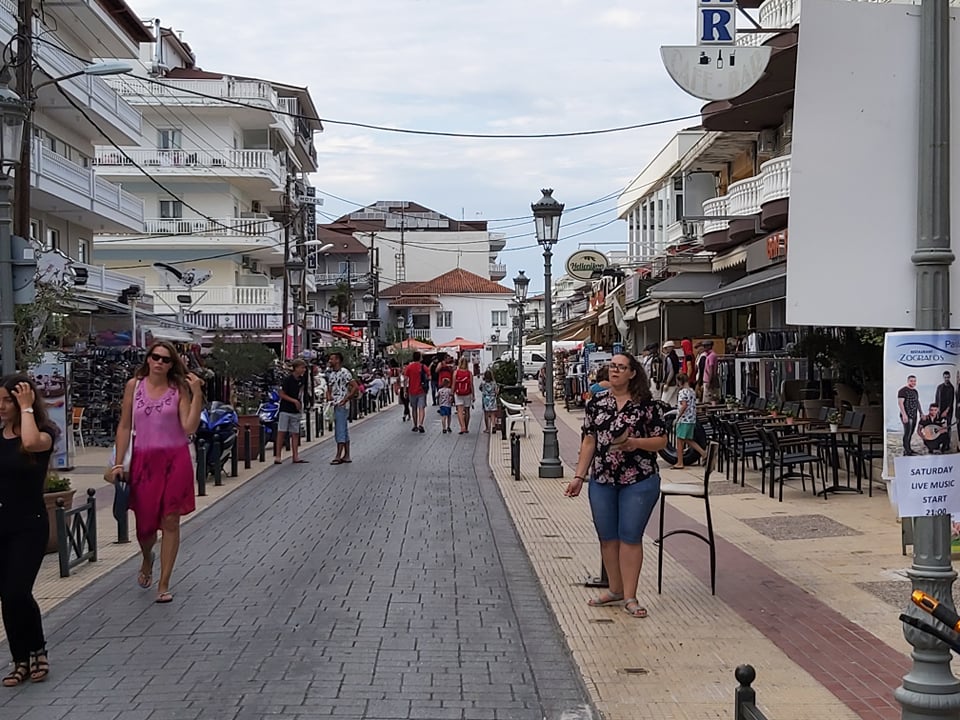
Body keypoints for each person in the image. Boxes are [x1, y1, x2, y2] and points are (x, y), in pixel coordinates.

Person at [564, 352, 667, 620]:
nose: (615, 370)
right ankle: (615, 589)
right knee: (607, 537)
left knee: (630, 536)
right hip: (603, 478)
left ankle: (630, 596)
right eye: (612, 366)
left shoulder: (648, 405)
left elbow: (661, 441)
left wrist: (635, 443)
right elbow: (589, 440)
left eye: (621, 367)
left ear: (632, 373)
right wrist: (578, 476)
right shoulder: (596, 402)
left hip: (639, 479)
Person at [112, 341, 203, 605]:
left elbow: (189, 427)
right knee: (145, 527)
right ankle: (146, 557)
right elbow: (124, 425)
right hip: (144, 461)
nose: (159, 362)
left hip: (175, 459)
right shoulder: (134, 386)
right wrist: (118, 463)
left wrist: (196, 394)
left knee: (171, 520)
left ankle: (164, 583)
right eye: (155, 357)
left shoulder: (179, 389)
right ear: (148, 359)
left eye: (165, 359)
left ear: (172, 364)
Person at [0, 375, 57, 686]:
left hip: (29, 525)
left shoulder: (44, 433)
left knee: (17, 591)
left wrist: (26, 408)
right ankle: (20, 658)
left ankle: (38, 649)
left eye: (8, 400)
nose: (2, 406)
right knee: (7, 596)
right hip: (2, 525)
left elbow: (31, 444)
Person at [327, 352, 358, 464]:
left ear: (338, 360)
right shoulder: (331, 374)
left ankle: (338, 455)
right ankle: (346, 454)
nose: (330, 361)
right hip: (334, 404)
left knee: (340, 429)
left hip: (341, 404)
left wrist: (346, 399)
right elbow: (329, 388)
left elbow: (355, 386)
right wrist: (328, 395)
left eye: (332, 359)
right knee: (342, 429)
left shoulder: (344, 372)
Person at [275, 359, 308, 465]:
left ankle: (295, 455)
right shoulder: (287, 379)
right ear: (296, 368)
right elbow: (281, 394)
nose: (304, 370)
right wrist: (294, 401)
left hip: (296, 410)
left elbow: (302, 392)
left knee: (295, 433)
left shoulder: (302, 379)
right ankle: (278, 456)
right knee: (282, 432)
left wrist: (302, 403)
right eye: (302, 367)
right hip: (285, 409)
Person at [672, 373, 707, 470]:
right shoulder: (692, 391)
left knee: (680, 439)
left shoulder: (682, 392)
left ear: (680, 382)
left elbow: (684, 405)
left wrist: (677, 417)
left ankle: (680, 462)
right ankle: (702, 453)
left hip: (684, 418)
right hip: (691, 418)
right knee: (685, 439)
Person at [404, 351, 429, 433]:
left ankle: (415, 425)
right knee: (421, 408)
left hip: (412, 390)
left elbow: (405, 379)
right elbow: (429, 376)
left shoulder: (409, 367)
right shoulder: (423, 367)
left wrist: (405, 391)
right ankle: (421, 424)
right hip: (421, 390)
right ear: (420, 358)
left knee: (414, 408)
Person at [898, 375, 921, 456]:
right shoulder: (903, 390)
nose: (913, 382)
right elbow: (900, 403)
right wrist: (904, 415)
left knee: (911, 432)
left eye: (914, 381)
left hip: (914, 415)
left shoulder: (915, 391)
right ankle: (907, 450)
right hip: (907, 415)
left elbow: (917, 402)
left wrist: (921, 412)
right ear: (908, 381)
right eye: (911, 381)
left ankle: (909, 449)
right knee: (907, 433)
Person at [454, 357, 475, 434]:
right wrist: (473, 395)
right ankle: (466, 426)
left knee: (460, 411)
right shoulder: (469, 373)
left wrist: (452, 393)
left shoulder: (456, 372)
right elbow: (471, 385)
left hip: (458, 393)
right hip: (467, 393)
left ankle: (462, 427)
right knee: (467, 410)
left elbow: (453, 384)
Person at [936, 371, 955, 451]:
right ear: (943, 377)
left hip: (948, 411)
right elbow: (936, 399)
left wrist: (946, 411)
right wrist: (937, 410)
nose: (946, 379)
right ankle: (939, 443)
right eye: (945, 377)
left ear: (949, 377)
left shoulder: (951, 387)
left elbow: (951, 401)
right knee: (939, 426)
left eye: (948, 377)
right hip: (940, 410)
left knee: (948, 427)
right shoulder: (940, 387)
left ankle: (947, 444)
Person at [660, 341, 681, 406]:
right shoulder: (675, 357)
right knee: (673, 402)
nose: (665, 350)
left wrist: (667, 383)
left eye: (666, 348)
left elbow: (671, 371)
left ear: (670, 348)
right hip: (676, 381)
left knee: (663, 401)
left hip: (671, 382)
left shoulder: (669, 358)